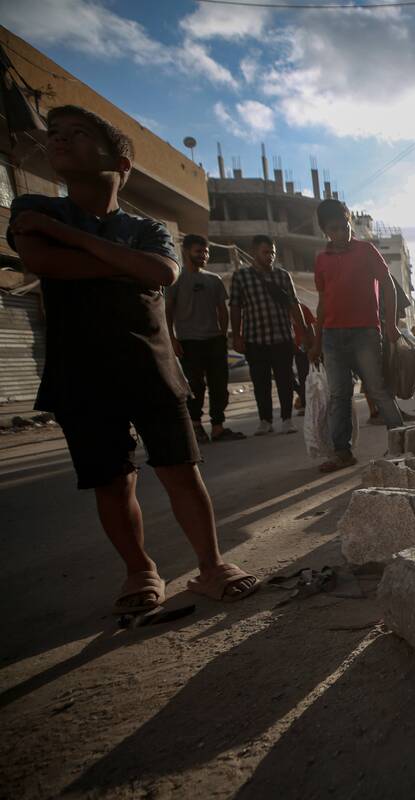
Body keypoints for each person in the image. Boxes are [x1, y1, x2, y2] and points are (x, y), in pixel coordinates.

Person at [6, 104, 258, 611]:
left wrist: (76, 242)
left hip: (151, 364)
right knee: (113, 480)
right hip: (81, 368)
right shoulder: (35, 208)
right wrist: (120, 265)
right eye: (54, 134)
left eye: (77, 134)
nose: (59, 141)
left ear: (119, 165)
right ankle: (140, 570)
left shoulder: (146, 229)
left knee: (181, 468)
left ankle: (210, 567)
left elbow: (160, 273)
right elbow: (40, 261)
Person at [309, 199, 407, 472]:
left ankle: (401, 444)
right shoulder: (321, 260)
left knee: (378, 389)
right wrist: (317, 341)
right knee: (339, 396)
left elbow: (387, 284)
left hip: (365, 332)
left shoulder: (366, 251)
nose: (341, 233)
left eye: (345, 226)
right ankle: (343, 452)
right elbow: (323, 302)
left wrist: (390, 325)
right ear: (325, 231)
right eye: (334, 229)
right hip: (332, 336)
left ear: (349, 222)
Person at [229, 235, 312, 436]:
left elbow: (294, 305)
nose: (270, 256)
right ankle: (265, 420)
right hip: (254, 338)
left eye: (273, 252)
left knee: (285, 380)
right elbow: (235, 308)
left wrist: (303, 331)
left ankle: (286, 418)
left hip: (282, 337)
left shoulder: (283, 276)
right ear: (254, 252)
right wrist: (237, 336)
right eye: (266, 252)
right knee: (260, 382)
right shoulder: (241, 277)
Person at [166, 234, 244, 443]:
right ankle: (196, 426)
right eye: (198, 251)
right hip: (188, 342)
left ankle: (218, 427)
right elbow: (168, 310)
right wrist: (172, 339)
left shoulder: (214, 280)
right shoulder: (176, 280)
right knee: (195, 386)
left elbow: (223, 309)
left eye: (206, 252)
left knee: (219, 385)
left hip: (214, 341)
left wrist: (222, 333)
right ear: (186, 252)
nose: (203, 255)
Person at [293, 300, 317, 416]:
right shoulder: (278, 311)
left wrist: (313, 347)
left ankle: (306, 404)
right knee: (288, 377)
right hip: (288, 348)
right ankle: (303, 398)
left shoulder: (302, 308)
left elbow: (311, 326)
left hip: (302, 349)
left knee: (305, 376)